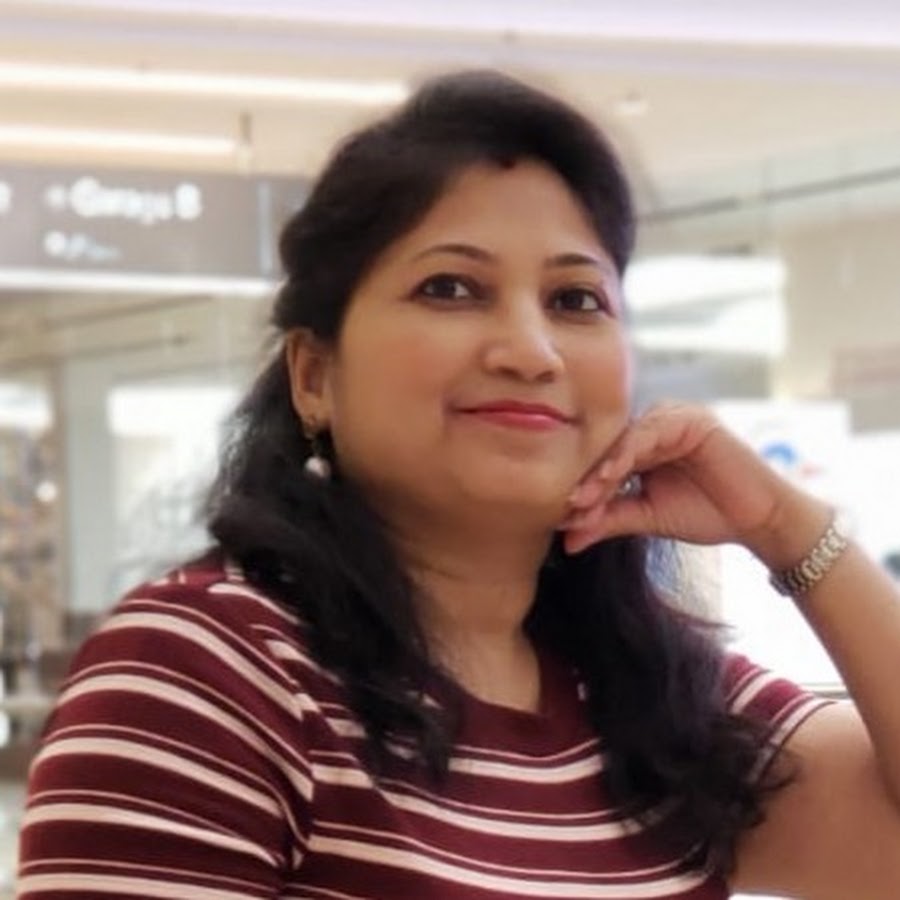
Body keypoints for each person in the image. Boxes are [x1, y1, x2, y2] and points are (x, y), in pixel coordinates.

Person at [17, 71, 900, 899]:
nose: (531, 351)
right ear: (314, 376)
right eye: (451, 288)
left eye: (575, 300)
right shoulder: (203, 676)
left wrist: (785, 527)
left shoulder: (655, 705)